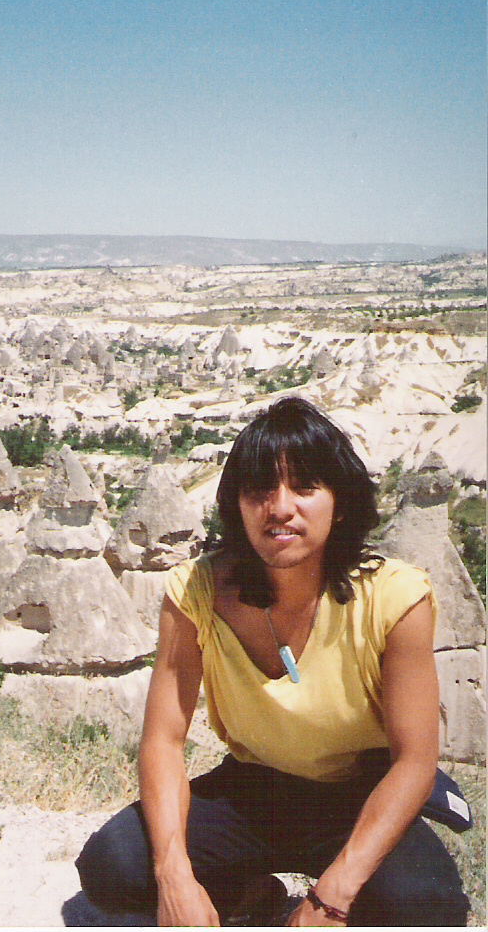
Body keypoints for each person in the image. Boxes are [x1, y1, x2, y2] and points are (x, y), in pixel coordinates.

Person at [76, 396, 470, 926]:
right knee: (114, 865)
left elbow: (414, 762)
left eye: (304, 488)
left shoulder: (395, 598)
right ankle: (248, 899)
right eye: (259, 489)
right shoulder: (196, 591)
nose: (280, 507)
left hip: (356, 791)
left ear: (341, 502)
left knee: (427, 906)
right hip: (252, 787)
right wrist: (174, 877)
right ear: (236, 505)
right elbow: (164, 739)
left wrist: (334, 893)